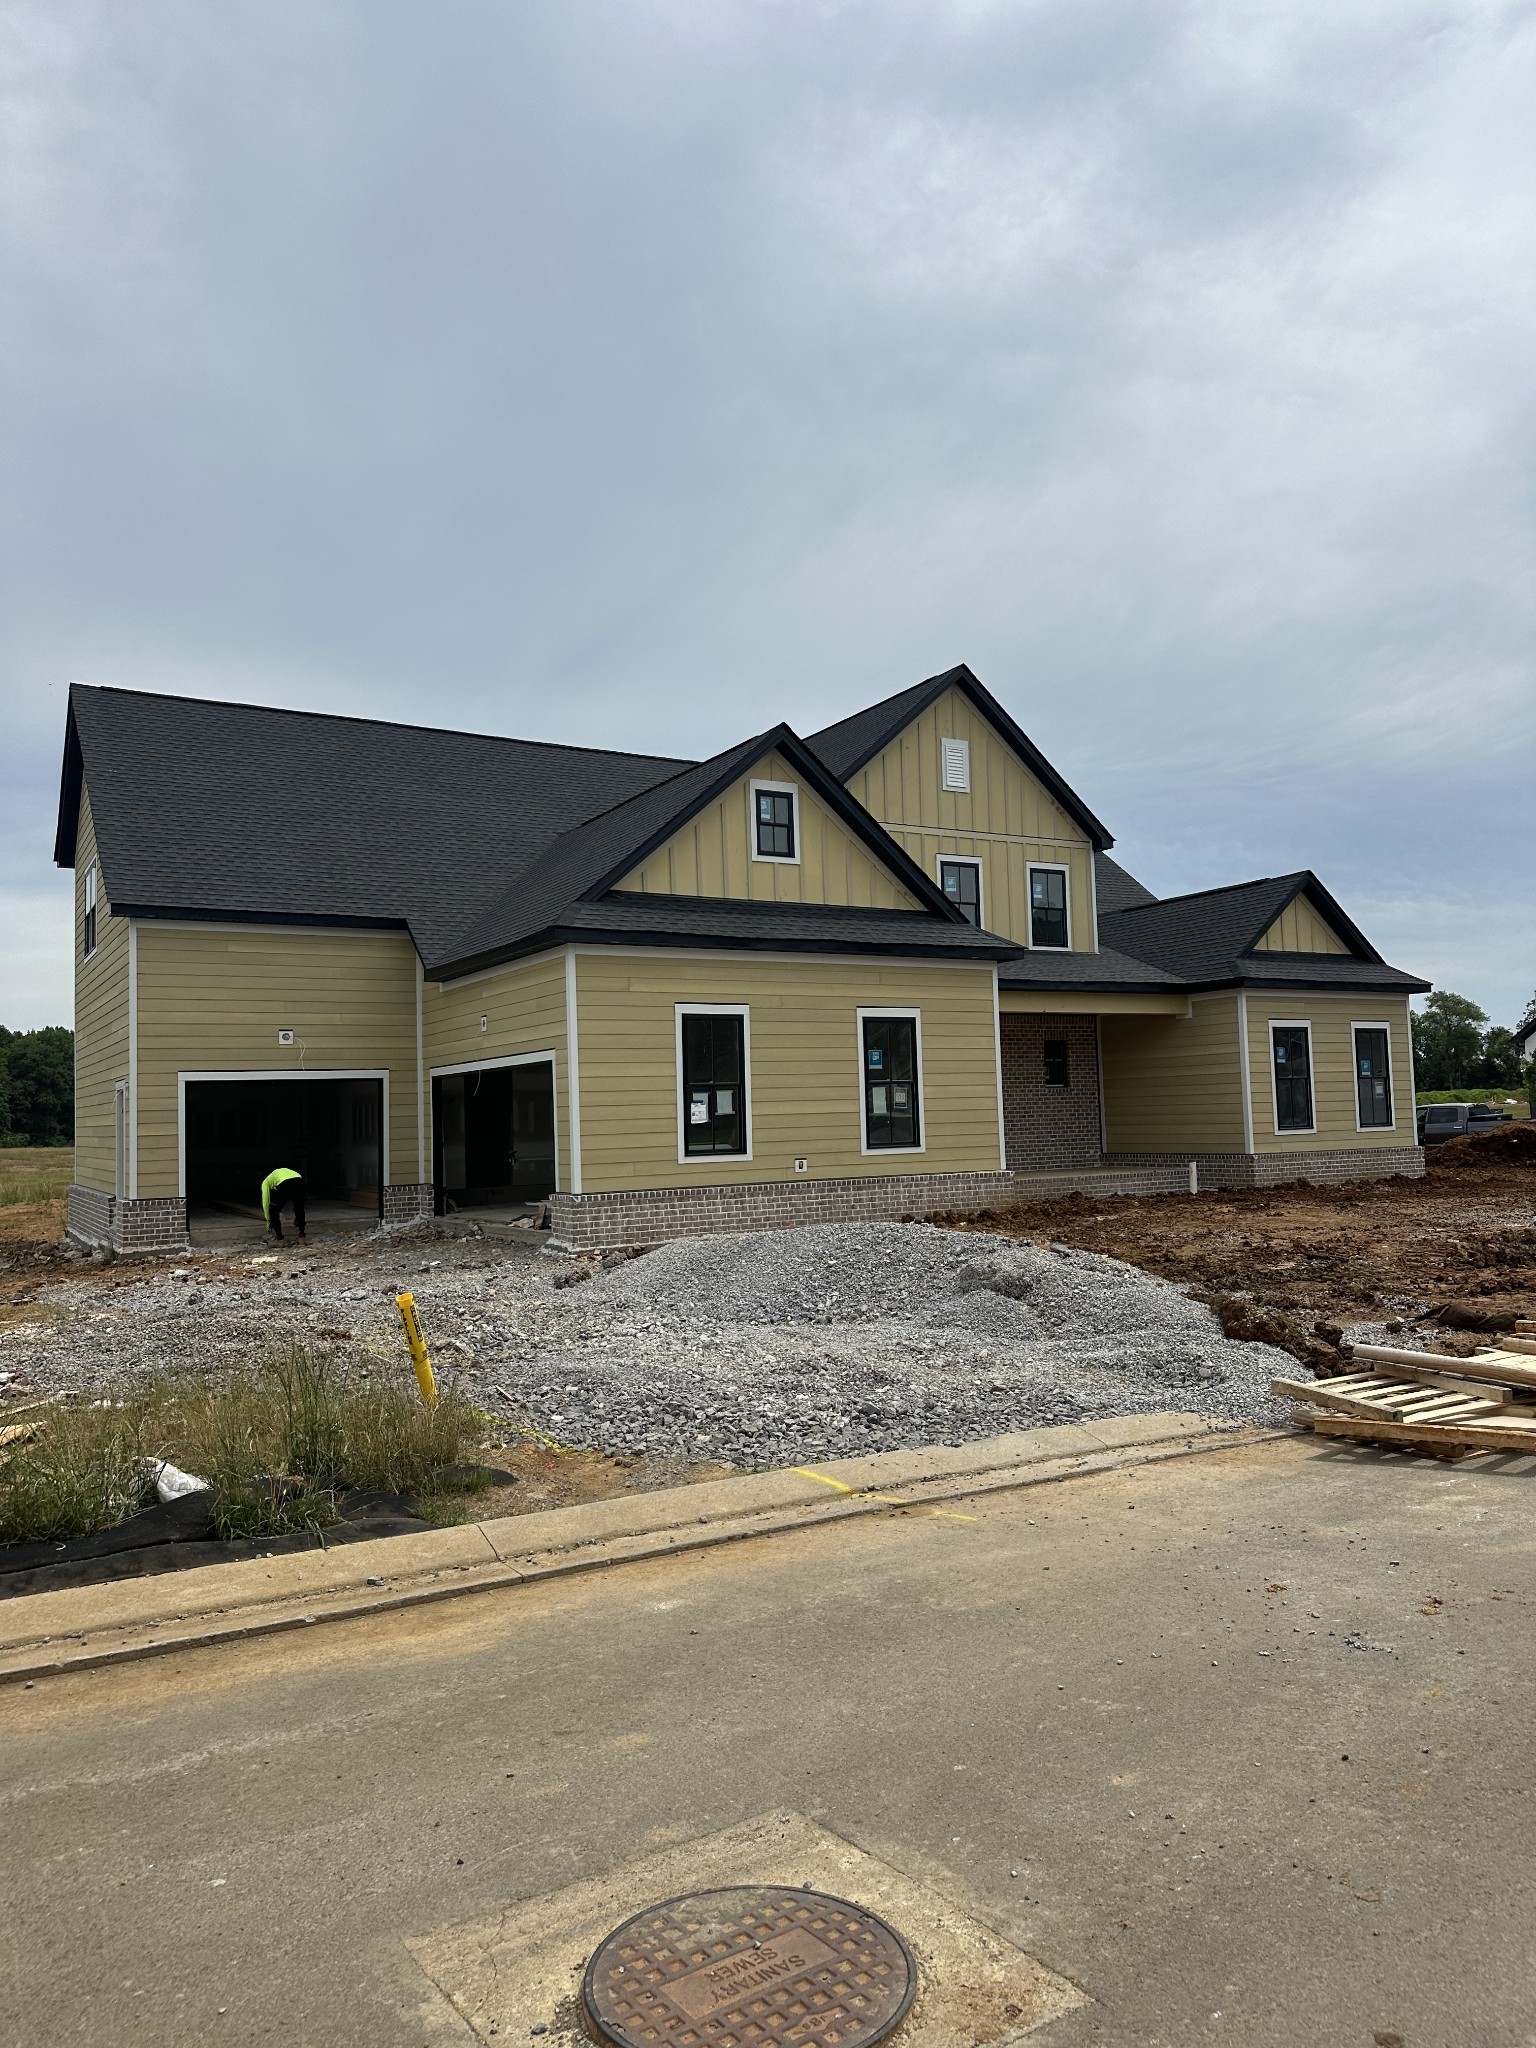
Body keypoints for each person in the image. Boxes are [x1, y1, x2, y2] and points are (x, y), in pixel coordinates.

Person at [261, 1166, 306, 1241]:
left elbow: (265, 1203)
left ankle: (279, 1238)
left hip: (285, 1183)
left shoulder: (265, 1183)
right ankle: (302, 1235)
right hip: (299, 1180)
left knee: (273, 1211)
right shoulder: (278, 1173)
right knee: (299, 1207)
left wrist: (268, 1221)